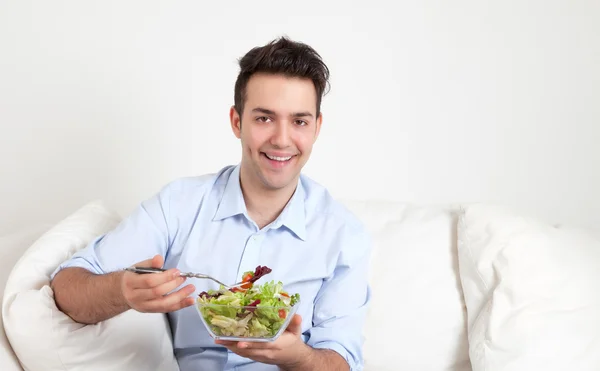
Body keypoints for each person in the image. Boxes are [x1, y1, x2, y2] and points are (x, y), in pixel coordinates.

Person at [50, 36, 372, 371]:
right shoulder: (179, 205)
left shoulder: (343, 234)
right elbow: (67, 288)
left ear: (316, 128)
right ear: (237, 122)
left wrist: (296, 356)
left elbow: (341, 360)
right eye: (264, 118)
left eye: (299, 121)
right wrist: (122, 291)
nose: (281, 139)